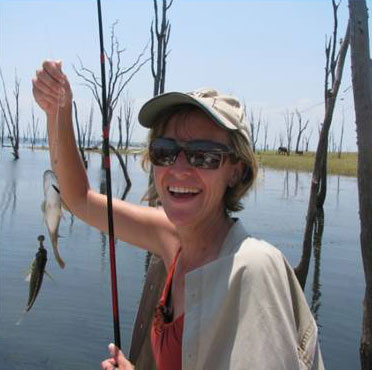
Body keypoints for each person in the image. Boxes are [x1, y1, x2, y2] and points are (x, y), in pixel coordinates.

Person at [33, 60, 324, 370]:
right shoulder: (172, 237)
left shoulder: (253, 269)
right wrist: (58, 111)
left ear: (236, 171)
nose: (180, 169)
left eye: (204, 155)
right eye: (165, 150)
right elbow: (78, 200)